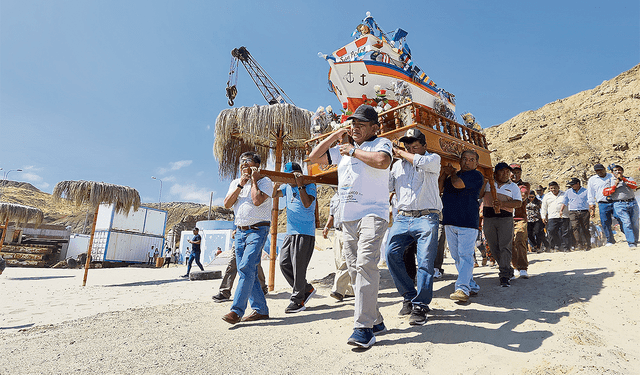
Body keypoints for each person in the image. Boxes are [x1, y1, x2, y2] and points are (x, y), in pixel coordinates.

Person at [308, 104, 391, 348]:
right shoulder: (343, 149)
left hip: (373, 214)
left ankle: (363, 328)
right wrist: (334, 136)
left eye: (361, 124)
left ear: (374, 127)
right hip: (348, 217)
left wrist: (353, 151)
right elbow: (314, 158)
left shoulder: (380, 144)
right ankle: (375, 319)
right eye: (352, 123)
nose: (354, 128)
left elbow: (382, 161)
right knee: (354, 269)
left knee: (365, 264)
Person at [386, 128, 441, 324]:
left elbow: (420, 161)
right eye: (407, 145)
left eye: (414, 145)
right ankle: (409, 295)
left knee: (425, 262)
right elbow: (387, 187)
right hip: (402, 218)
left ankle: (421, 305)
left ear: (424, 146)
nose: (410, 148)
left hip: (427, 217)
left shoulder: (433, 159)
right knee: (391, 254)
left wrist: (399, 152)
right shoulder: (397, 166)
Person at [221, 151, 273, 324]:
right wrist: (240, 185)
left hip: (258, 230)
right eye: (241, 162)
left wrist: (252, 180)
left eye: (247, 162)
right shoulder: (236, 183)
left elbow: (257, 201)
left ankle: (236, 311)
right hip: (240, 232)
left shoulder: (265, 182)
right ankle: (261, 309)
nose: (243, 164)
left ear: (256, 165)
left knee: (245, 267)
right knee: (248, 270)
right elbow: (227, 204)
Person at [439, 150, 484, 302]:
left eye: (471, 159)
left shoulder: (476, 176)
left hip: (467, 222)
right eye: (464, 159)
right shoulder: (453, 175)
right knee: (457, 256)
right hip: (450, 220)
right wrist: (444, 173)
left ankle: (462, 289)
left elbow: (458, 185)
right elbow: (439, 189)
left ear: (476, 163)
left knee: (465, 255)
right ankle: (471, 285)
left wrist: (451, 173)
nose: (467, 162)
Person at [273, 162, 318, 313]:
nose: (290, 180)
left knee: (299, 267)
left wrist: (300, 185)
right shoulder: (286, 187)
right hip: (290, 232)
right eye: (288, 177)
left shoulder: (309, 184)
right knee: (284, 264)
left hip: (305, 232)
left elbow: (306, 203)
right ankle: (306, 289)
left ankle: (298, 300)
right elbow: (274, 195)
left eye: (292, 176)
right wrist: (277, 184)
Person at [480, 162, 522, 287]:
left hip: (505, 219)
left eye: (507, 171)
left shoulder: (513, 187)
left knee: (505, 246)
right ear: (495, 173)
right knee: (493, 247)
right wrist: (484, 182)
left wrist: (502, 204)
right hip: (488, 219)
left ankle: (504, 276)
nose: (506, 174)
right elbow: (480, 195)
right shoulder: (488, 184)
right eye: (502, 171)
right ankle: (507, 269)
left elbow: (518, 203)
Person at [212, 230, 268, 303]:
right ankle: (225, 292)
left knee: (255, 264)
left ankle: (262, 287)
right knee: (232, 265)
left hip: (253, 236)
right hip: (239, 236)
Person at [323, 192, 354, 302]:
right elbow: (332, 215)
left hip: (349, 231)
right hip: (337, 231)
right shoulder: (334, 198)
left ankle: (338, 291)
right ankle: (349, 290)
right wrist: (327, 227)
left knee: (345, 260)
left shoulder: (351, 195)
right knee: (338, 260)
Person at [603, 165, 638, 248]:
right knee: (626, 222)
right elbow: (606, 192)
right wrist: (615, 184)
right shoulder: (609, 181)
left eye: (619, 170)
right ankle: (631, 243)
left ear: (622, 171)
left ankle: (635, 240)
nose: (618, 172)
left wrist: (624, 179)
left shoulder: (629, 178)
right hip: (619, 204)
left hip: (632, 202)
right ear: (612, 172)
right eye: (615, 170)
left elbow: (634, 186)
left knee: (635, 223)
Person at [509, 164, 530, 279]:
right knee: (510, 242)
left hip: (519, 218)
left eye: (518, 172)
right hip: (507, 218)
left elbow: (522, 196)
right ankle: (515, 266)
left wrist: (506, 199)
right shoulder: (504, 185)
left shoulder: (524, 185)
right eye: (513, 172)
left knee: (520, 239)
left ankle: (523, 268)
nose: (515, 175)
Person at [587, 164, 616, 246]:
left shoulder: (612, 176)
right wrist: (591, 204)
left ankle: (627, 236)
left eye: (600, 170)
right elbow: (591, 193)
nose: (599, 172)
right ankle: (610, 240)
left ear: (604, 169)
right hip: (602, 203)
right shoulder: (592, 179)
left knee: (619, 217)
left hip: (615, 201)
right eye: (597, 171)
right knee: (605, 222)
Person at [541, 182, 570, 252]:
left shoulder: (564, 194)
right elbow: (544, 207)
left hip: (564, 216)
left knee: (565, 232)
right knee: (551, 231)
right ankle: (556, 245)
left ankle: (566, 247)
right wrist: (543, 216)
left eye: (555, 188)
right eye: (551, 188)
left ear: (558, 187)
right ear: (549, 189)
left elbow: (569, 204)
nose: (553, 189)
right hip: (552, 216)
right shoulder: (547, 196)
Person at [565, 178, 591, 251]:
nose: (572, 186)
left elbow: (590, 200)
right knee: (575, 227)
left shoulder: (586, 191)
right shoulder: (568, 192)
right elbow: (565, 202)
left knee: (585, 228)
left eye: (573, 184)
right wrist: (561, 210)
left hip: (584, 211)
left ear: (578, 184)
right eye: (571, 185)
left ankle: (588, 244)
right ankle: (579, 244)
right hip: (573, 211)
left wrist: (592, 210)